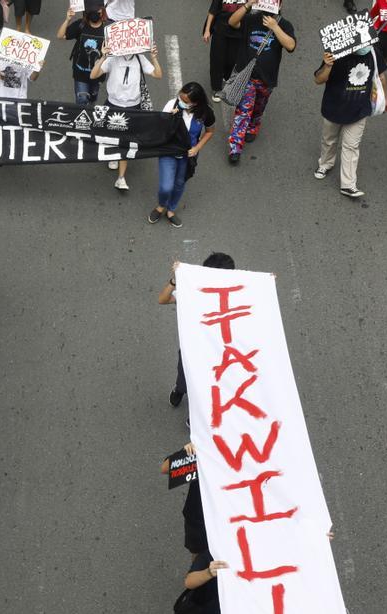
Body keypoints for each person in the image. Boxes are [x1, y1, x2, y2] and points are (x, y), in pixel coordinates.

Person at [159, 253, 235, 406]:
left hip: (219, 352)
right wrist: (175, 281)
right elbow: (163, 299)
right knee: (185, 376)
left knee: (209, 386)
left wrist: (265, 286)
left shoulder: (238, 295)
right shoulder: (192, 293)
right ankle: (179, 390)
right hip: (191, 348)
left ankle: (196, 415)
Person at [313, 44, 387, 200]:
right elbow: (318, 79)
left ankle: (348, 185)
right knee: (329, 140)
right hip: (333, 108)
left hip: (359, 111)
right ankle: (325, 164)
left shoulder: (373, 52)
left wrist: (385, 98)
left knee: (351, 146)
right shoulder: (335, 52)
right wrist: (327, 66)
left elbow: (380, 75)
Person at [226, 0, 296, 164]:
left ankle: (254, 125)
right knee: (243, 111)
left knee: (258, 108)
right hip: (247, 77)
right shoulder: (251, 19)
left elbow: (291, 46)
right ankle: (235, 148)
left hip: (267, 78)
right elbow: (232, 22)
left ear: (279, 5)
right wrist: (248, 4)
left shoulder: (284, 25)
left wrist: (275, 27)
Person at [91, 43, 163, 190]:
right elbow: (93, 75)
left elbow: (158, 74)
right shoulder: (113, 58)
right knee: (110, 134)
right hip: (113, 104)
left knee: (126, 139)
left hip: (133, 106)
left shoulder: (140, 58)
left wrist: (154, 58)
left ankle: (121, 177)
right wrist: (103, 56)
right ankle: (113, 155)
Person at [150, 82, 215, 227]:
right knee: (166, 186)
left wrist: (197, 147)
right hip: (169, 151)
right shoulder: (171, 105)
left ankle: (171, 210)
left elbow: (210, 132)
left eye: (185, 101)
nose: (181, 102)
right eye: (180, 98)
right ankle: (161, 206)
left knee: (179, 184)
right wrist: (169, 119)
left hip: (188, 155)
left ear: (195, 103)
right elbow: (159, 128)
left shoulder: (206, 112)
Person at [59, 1, 108, 106]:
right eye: (92, 9)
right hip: (80, 74)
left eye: (97, 9)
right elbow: (60, 36)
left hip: (97, 75)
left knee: (92, 98)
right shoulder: (81, 25)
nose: (95, 12)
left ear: (102, 10)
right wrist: (67, 20)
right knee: (82, 101)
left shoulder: (108, 29)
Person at [203, 1, 245, 101]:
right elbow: (213, 11)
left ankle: (227, 78)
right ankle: (216, 88)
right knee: (217, 60)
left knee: (232, 60)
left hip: (239, 32)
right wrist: (207, 30)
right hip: (220, 30)